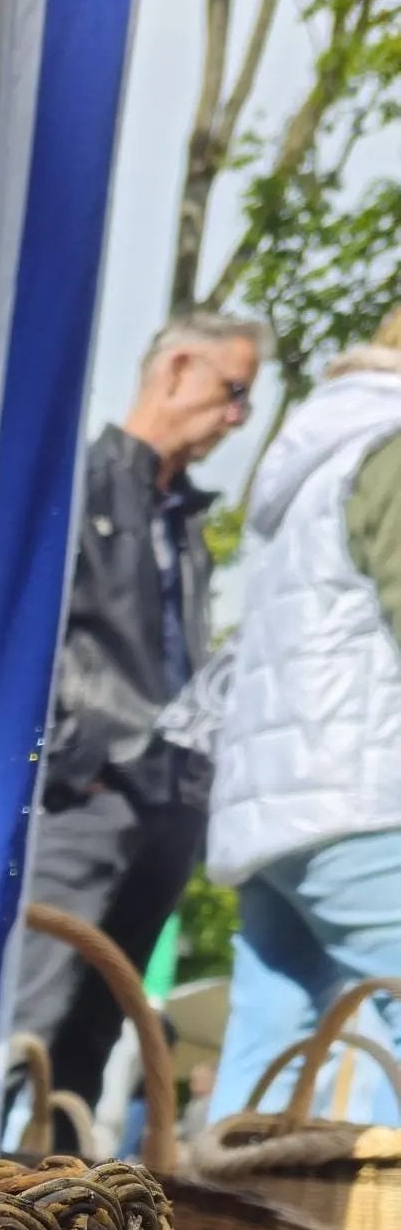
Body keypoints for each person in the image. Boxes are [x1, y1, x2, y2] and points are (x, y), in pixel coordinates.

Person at [11, 312, 265, 1106]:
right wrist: (74, 761)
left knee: (95, 1042)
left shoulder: (187, 525)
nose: (236, 418)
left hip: (166, 811)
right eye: (233, 392)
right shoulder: (77, 484)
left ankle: (62, 1221)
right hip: (86, 800)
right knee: (29, 1027)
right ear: (177, 368)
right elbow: (26, 634)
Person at [205, 307, 401, 1128]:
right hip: (362, 797)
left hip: (277, 809)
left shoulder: (320, 451)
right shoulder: (387, 448)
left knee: (264, 1078)